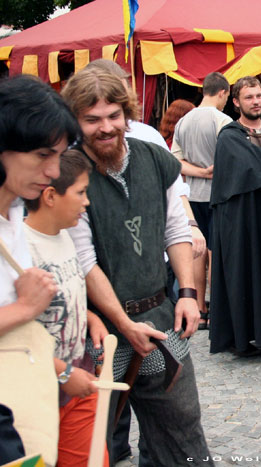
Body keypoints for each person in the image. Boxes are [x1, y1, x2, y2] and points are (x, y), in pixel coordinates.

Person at [60, 68, 210, 465]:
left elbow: (175, 227)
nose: (105, 127)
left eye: (113, 115)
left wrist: (189, 294)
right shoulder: (68, 172)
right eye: (92, 119)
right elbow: (84, 261)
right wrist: (124, 326)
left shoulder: (154, 158)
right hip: (100, 334)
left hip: (160, 317)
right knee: (93, 443)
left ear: (127, 113)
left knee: (181, 433)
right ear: (76, 120)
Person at [0, 75, 79, 466]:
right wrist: (25, 309)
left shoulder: (15, 212)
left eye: (59, 157)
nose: (52, 171)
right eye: (42, 155)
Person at [23, 150, 110, 467]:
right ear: (49, 196)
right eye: (81, 192)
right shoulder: (20, 249)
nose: (87, 202)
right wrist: (63, 374)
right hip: (34, 397)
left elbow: (62, 294)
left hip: (78, 386)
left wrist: (88, 317)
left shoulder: (65, 237)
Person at [209, 76, 261, 356]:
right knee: (246, 275)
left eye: (258, 96)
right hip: (242, 222)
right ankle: (243, 338)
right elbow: (256, 167)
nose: (256, 101)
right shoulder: (230, 137)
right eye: (249, 97)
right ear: (236, 102)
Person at [172, 72, 233, 330]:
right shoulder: (223, 120)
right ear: (222, 93)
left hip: (191, 193)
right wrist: (211, 171)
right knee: (215, 251)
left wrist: (198, 172)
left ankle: (199, 306)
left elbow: (175, 160)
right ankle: (217, 306)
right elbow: (230, 159)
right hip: (216, 194)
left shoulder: (182, 122)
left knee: (196, 250)